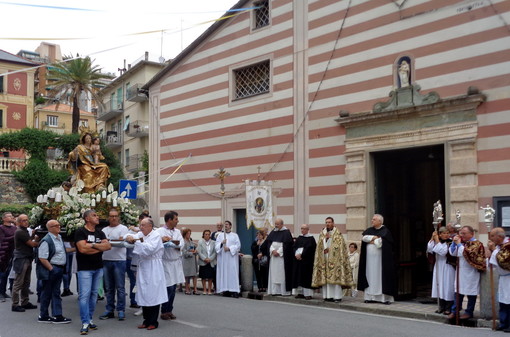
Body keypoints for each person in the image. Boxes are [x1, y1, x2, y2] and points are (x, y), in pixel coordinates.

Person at [126, 217, 168, 330]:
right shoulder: (141, 234)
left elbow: (149, 249)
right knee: (144, 293)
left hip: (153, 267)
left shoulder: (155, 236)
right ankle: (146, 320)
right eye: (140, 225)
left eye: (143, 225)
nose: (141, 227)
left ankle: (153, 322)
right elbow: (129, 236)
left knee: (153, 294)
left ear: (150, 226)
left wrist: (136, 242)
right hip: (143, 267)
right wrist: (129, 237)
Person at [75, 210, 111, 335]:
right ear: (87, 218)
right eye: (94, 215)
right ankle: (84, 322)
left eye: (97, 214)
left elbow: (108, 247)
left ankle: (90, 319)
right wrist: (98, 246)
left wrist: (92, 245)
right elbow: (82, 249)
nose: (97, 216)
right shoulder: (80, 231)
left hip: (98, 267)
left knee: (94, 295)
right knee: (84, 296)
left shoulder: (100, 232)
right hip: (85, 269)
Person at [36, 220, 71, 324]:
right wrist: (51, 269)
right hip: (52, 269)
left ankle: (56, 315)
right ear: (50, 228)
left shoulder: (59, 238)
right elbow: (42, 258)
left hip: (58, 268)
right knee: (47, 292)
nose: (59, 227)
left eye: (59, 225)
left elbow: (62, 251)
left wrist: (74, 249)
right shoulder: (46, 240)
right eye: (56, 226)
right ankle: (45, 315)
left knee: (55, 292)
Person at [448, 225, 485, 320]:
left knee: (471, 293)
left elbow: (467, 254)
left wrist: (459, 244)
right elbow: (453, 253)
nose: (462, 235)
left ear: (471, 234)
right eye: (461, 233)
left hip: (471, 272)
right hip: (460, 271)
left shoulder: (477, 244)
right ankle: (455, 311)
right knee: (457, 292)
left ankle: (469, 312)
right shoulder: (462, 243)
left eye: (464, 233)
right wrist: (453, 244)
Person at [357, 214, 396, 304]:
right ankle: (370, 297)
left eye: (374, 219)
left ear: (380, 221)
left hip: (380, 262)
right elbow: (364, 238)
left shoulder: (385, 231)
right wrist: (374, 238)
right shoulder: (369, 230)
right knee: (369, 276)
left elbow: (380, 243)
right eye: (372, 219)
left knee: (380, 277)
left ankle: (383, 298)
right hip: (369, 261)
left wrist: (371, 240)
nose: (372, 221)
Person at [312, 217, 353, 302]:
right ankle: (328, 296)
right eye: (326, 222)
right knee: (326, 278)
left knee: (335, 278)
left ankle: (337, 297)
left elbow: (341, 246)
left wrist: (331, 245)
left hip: (335, 260)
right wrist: (325, 239)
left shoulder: (337, 233)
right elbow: (319, 245)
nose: (328, 224)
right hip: (324, 258)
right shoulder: (322, 233)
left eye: (329, 222)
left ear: (333, 223)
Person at [99, 209, 128, 321]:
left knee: (120, 287)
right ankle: (109, 309)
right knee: (109, 288)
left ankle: (121, 310)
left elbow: (122, 243)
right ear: (108, 218)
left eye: (116, 216)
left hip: (119, 260)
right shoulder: (104, 229)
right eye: (111, 216)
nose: (114, 218)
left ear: (119, 217)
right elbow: (101, 242)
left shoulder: (123, 228)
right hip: (106, 260)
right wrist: (112, 241)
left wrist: (108, 242)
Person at [157, 211, 185, 321]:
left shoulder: (177, 231)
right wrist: (163, 240)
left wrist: (175, 244)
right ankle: (164, 310)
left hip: (175, 262)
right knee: (168, 287)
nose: (177, 221)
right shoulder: (160, 231)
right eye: (176, 219)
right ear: (169, 220)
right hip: (166, 262)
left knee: (173, 288)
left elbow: (182, 243)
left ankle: (169, 310)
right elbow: (157, 243)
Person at [11, 214, 38, 312]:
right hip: (21, 258)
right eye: (23, 220)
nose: (26, 222)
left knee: (26, 282)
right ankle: (15, 304)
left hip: (27, 257)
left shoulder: (24, 231)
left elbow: (29, 240)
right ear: (18, 222)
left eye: (27, 220)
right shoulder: (20, 232)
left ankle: (25, 302)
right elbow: (32, 244)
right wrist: (42, 240)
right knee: (18, 282)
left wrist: (33, 235)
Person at [426, 227, 455, 314]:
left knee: (447, 286)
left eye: (447, 233)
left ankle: (449, 307)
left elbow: (443, 251)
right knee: (439, 286)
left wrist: (437, 240)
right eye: (444, 233)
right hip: (438, 265)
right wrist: (432, 238)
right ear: (440, 234)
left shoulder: (450, 242)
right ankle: (441, 306)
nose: (446, 235)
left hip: (447, 266)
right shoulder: (436, 241)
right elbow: (430, 249)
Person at [487, 227, 510, 332]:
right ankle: (503, 322)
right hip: (503, 278)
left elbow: (504, 260)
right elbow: (493, 262)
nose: (490, 238)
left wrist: (493, 250)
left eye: (492, 236)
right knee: (503, 301)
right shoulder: (498, 247)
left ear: (500, 236)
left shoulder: (508, 245)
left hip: (508, 277)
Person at [266, 218, 294, 296]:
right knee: (274, 274)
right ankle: (274, 291)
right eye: (275, 224)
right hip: (273, 257)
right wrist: (272, 250)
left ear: (282, 224)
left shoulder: (286, 232)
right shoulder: (273, 231)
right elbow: (269, 243)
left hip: (282, 257)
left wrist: (279, 252)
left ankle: (283, 291)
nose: (276, 225)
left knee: (281, 274)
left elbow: (287, 245)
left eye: (277, 224)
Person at [215, 220, 241, 298]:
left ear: (230, 226)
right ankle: (225, 289)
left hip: (232, 258)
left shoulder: (235, 235)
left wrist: (229, 248)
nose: (225, 226)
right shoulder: (220, 236)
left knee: (232, 273)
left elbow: (238, 246)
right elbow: (216, 246)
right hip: (223, 259)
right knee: (224, 273)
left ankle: (234, 290)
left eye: (227, 224)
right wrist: (221, 243)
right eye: (225, 224)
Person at [292, 224, 316, 300]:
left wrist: (302, 255)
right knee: (299, 277)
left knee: (306, 278)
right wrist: (296, 254)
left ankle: (308, 294)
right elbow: (294, 247)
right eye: (301, 228)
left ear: (307, 229)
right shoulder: (299, 238)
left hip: (307, 262)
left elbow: (311, 250)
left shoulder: (311, 239)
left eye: (304, 228)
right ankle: (300, 293)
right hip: (298, 261)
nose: (302, 230)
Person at [0, 212, 16, 302]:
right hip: (3, 252)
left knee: (8, 273)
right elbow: (2, 240)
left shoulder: (14, 228)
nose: (11, 217)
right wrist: (14, 236)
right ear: (4, 219)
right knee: (2, 274)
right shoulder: (1, 228)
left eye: (11, 215)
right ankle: (1, 293)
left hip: (12, 252)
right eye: (9, 216)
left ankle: (4, 291)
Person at [197, 229, 216, 295]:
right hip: (203, 261)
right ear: (203, 235)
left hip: (211, 261)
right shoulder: (200, 242)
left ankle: (209, 290)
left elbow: (214, 252)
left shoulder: (213, 242)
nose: (207, 235)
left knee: (210, 277)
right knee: (203, 277)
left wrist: (210, 259)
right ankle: (204, 290)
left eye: (208, 234)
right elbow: (199, 251)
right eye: (206, 234)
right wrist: (205, 258)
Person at [181, 228, 199, 295]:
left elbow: (194, 249)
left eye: (190, 233)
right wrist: (191, 253)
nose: (189, 235)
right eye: (188, 233)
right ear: (185, 234)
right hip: (186, 261)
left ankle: (195, 289)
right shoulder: (183, 242)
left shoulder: (191, 242)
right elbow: (184, 253)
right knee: (187, 275)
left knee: (194, 275)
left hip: (193, 261)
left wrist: (196, 251)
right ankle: (187, 289)